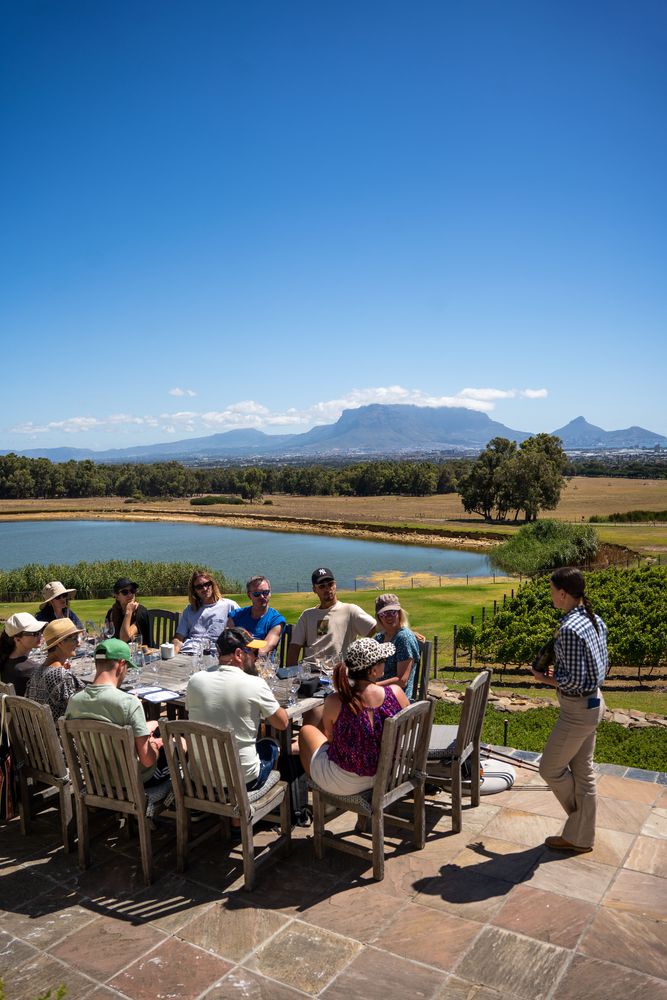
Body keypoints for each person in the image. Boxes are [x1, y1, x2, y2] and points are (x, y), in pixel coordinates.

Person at [532, 567, 608, 854]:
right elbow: (593, 667)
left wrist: (546, 678)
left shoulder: (568, 629)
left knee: (549, 768)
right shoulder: (594, 619)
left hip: (577, 710)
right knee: (583, 770)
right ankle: (581, 836)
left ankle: (579, 825)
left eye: (552, 590)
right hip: (594, 703)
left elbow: (574, 681)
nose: (551, 594)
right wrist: (562, 672)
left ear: (563, 593)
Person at [298, 637, 409, 795]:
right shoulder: (396, 693)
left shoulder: (335, 701)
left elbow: (330, 739)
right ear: (372, 671)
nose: (385, 662)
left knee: (306, 731)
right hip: (390, 773)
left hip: (347, 783)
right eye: (383, 660)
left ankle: (317, 786)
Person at [186, 627, 288, 790]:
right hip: (242, 782)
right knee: (272, 745)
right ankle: (250, 811)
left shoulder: (195, 681)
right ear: (239, 654)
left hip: (199, 779)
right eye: (253, 652)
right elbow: (282, 723)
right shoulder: (255, 684)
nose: (257, 657)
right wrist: (268, 696)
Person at [65, 639, 169, 786]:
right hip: (135, 781)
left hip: (99, 779)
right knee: (179, 745)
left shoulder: (74, 702)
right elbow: (148, 760)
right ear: (121, 664)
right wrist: (154, 744)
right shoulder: (129, 703)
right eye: (127, 667)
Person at [286, 567, 375, 666]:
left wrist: (358, 649)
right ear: (314, 589)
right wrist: (291, 674)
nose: (327, 588)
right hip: (310, 671)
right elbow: (294, 647)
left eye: (330, 584)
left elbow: (374, 627)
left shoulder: (350, 610)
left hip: (337, 672)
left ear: (335, 585)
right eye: (322, 586)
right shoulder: (307, 616)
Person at [26, 619, 85, 724]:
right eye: (74, 638)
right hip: (60, 737)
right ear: (60, 643)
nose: (78, 643)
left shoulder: (36, 672)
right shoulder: (62, 676)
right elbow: (81, 711)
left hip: (39, 735)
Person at [173, 570, 239, 655]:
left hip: (216, 655)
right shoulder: (189, 610)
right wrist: (173, 652)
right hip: (188, 652)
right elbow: (179, 638)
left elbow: (242, 633)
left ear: (212, 584)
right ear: (194, 590)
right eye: (199, 587)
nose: (204, 589)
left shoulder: (230, 606)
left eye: (206, 584)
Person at [373, 593, 421, 700]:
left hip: (395, 699)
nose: (389, 617)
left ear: (399, 613)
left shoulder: (403, 638)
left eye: (392, 612)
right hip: (378, 694)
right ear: (379, 617)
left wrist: (371, 687)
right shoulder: (379, 638)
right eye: (384, 614)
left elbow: (401, 680)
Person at [228, 576, 285, 657]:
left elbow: (264, 649)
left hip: (261, 665)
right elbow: (227, 642)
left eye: (265, 592)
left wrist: (240, 644)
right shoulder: (235, 616)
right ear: (249, 595)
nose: (262, 597)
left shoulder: (276, 620)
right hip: (235, 663)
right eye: (256, 594)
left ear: (270, 593)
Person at [0, 613, 46, 696]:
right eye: (34, 633)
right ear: (17, 639)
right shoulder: (32, 669)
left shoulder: (5, 660)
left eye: (40, 631)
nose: (40, 635)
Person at [105, 577, 151, 645]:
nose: (130, 594)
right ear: (117, 596)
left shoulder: (140, 612)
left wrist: (129, 611)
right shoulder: (112, 612)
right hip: (117, 652)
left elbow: (124, 638)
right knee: (98, 655)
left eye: (132, 590)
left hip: (138, 653)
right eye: (125, 592)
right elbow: (106, 636)